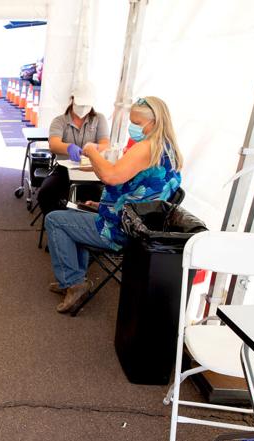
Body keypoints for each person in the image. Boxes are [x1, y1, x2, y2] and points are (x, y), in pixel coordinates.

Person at [46, 96, 183, 314]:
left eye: (137, 124)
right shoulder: (167, 149)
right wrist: (102, 203)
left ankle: (73, 283)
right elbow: (141, 190)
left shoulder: (146, 148)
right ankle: (72, 279)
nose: (133, 128)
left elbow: (110, 176)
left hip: (122, 230)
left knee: (54, 219)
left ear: (154, 122)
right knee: (75, 216)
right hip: (142, 225)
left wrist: (91, 151)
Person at [36, 80, 110, 216]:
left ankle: (83, 228)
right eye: (80, 104)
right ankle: (57, 223)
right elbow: (54, 144)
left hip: (92, 170)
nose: (82, 108)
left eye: (86, 105)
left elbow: (106, 143)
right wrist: (69, 147)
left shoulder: (99, 119)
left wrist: (96, 147)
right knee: (45, 193)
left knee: (100, 196)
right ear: (72, 99)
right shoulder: (60, 121)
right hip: (64, 169)